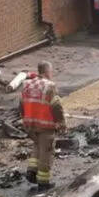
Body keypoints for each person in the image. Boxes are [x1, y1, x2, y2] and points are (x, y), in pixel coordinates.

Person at [20, 61, 65, 190]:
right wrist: (61, 123)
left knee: (37, 146)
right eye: (51, 72)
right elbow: (56, 106)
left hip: (31, 125)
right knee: (47, 152)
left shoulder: (26, 85)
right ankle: (43, 182)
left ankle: (32, 171)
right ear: (47, 72)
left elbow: (21, 105)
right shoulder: (50, 86)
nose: (52, 74)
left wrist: (25, 120)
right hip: (46, 126)